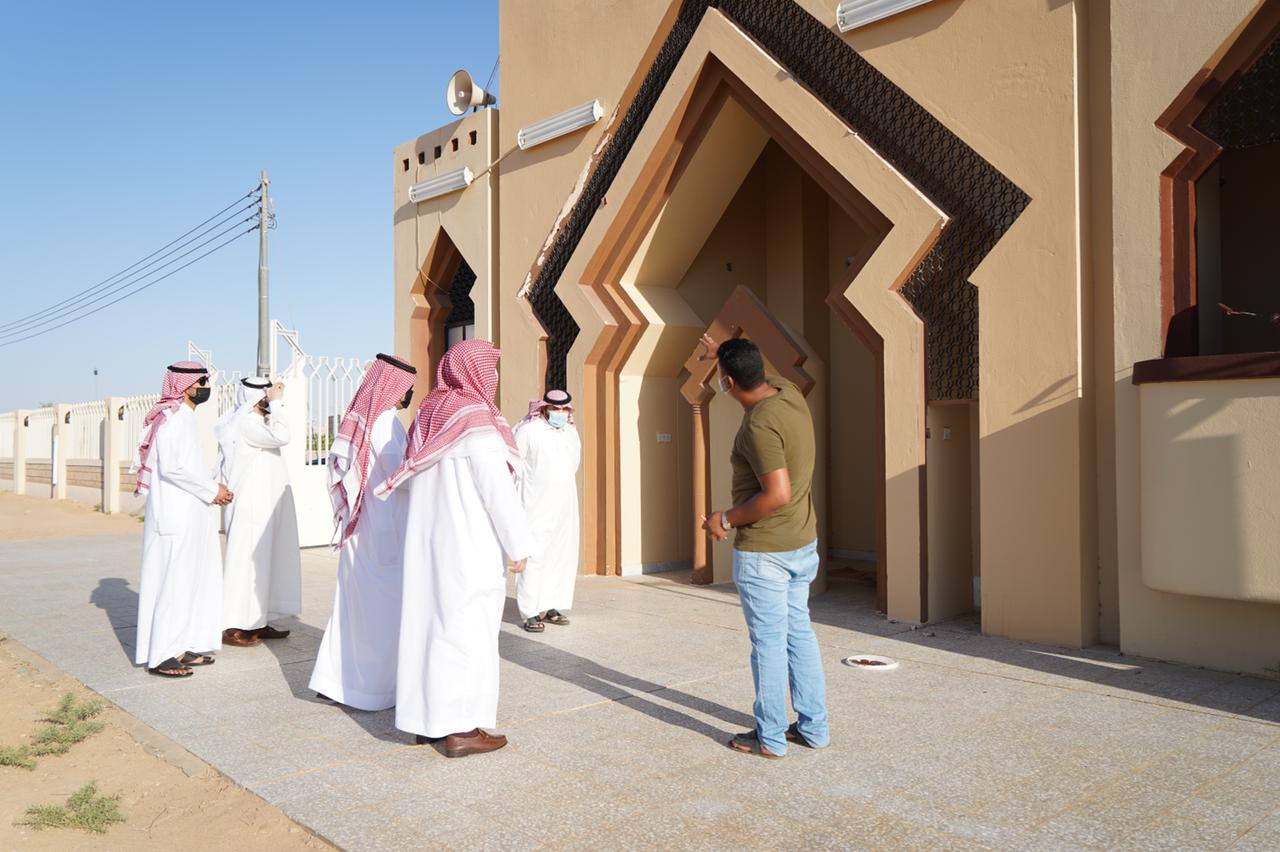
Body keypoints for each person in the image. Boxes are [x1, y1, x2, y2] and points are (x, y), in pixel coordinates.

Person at [374, 340, 533, 758]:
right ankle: (461, 728)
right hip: (468, 546)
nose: (493, 378)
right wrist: (518, 544)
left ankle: (427, 722)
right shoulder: (475, 418)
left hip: (428, 545)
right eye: (490, 370)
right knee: (466, 632)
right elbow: (497, 491)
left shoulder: (428, 414)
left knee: (430, 629)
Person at [699, 335, 830, 758]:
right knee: (799, 634)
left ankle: (770, 738)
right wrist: (723, 353)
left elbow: (777, 494)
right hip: (801, 543)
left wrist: (724, 519)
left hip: (766, 552)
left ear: (728, 382)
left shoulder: (759, 425)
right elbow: (755, 368)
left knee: (770, 643)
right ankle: (814, 728)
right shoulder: (789, 394)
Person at [309, 353, 418, 710]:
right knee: (379, 613)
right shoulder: (385, 423)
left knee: (352, 609)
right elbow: (398, 476)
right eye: (408, 388)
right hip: (380, 531)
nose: (409, 394)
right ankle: (371, 690)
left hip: (363, 529)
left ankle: (335, 682)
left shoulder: (365, 419)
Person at [133, 361, 233, 678]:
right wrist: (212, 490)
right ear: (186, 385)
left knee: (190, 581)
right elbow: (172, 468)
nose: (207, 387)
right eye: (203, 381)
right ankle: (161, 655)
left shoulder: (185, 418)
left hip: (191, 512)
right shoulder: (172, 418)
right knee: (173, 584)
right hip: (174, 515)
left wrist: (212, 487)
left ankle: (180, 646)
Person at [220, 379, 301, 647]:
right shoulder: (247, 424)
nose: (271, 397)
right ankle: (235, 627)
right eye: (266, 394)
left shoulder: (260, 424)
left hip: (265, 507)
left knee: (265, 566)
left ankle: (258, 620)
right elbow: (283, 436)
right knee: (246, 566)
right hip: (251, 508)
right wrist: (277, 404)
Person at [513, 389, 581, 633]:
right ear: (544, 408)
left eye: (564, 409)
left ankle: (551, 605)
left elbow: (573, 465)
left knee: (560, 555)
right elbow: (514, 464)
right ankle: (530, 611)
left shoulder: (570, 432)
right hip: (535, 504)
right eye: (555, 409)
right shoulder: (528, 431)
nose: (560, 413)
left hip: (565, 505)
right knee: (535, 557)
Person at [214, 376, 273, 482]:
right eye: (267, 397)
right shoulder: (248, 423)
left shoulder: (262, 420)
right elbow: (281, 437)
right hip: (246, 484)